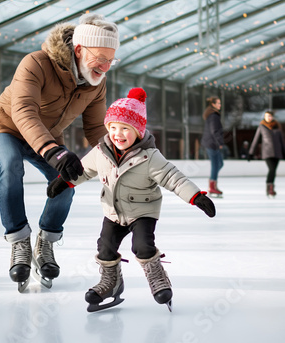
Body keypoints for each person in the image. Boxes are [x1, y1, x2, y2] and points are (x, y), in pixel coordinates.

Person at [0, 13, 120, 291]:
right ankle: (19, 241)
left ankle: (45, 242)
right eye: (100, 58)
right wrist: (52, 151)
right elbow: (23, 111)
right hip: (5, 127)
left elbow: (95, 128)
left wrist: (117, 157)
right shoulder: (36, 63)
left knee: (69, 182)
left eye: (111, 60)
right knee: (10, 167)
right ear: (80, 50)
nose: (105, 67)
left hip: (48, 136)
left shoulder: (97, 82)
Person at [47, 88, 216, 312]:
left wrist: (196, 196)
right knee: (105, 249)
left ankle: (157, 277)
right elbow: (84, 170)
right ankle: (111, 283)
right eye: (113, 127)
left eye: (125, 128)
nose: (118, 134)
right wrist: (64, 181)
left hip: (143, 211)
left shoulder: (150, 156)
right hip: (113, 212)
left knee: (142, 247)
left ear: (138, 131)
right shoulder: (101, 151)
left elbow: (172, 177)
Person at [248, 110, 285, 197]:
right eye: (267, 116)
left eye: (270, 116)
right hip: (267, 152)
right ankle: (270, 188)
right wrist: (251, 153)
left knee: (273, 171)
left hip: (277, 152)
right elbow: (256, 140)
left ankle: (270, 187)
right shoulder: (262, 126)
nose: (268, 118)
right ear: (264, 117)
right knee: (272, 169)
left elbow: (282, 140)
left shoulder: (277, 126)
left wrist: (284, 151)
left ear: (272, 117)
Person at [201, 96, 224, 197]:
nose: (220, 105)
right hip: (212, 143)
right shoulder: (214, 116)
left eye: (220, 103)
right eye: (218, 103)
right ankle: (212, 186)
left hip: (211, 142)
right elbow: (214, 130)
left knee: (219, 164)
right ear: (213, 104)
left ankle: (212, 183)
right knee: (216, 164)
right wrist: (220, 142)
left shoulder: (212, 115)